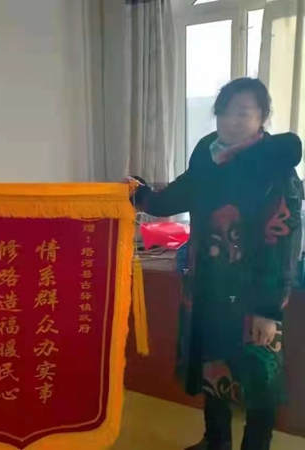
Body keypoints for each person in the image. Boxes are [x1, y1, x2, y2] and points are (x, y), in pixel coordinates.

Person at [132, 77, 303, 450]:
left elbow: (285, 243)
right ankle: (216, 441)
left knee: (259, 381)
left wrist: (267, 310)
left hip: (254, 296)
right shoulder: (207, 159)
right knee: (213, 369)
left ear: (262, 117)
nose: (232, 120)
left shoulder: (276, 169)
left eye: (243, 112)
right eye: (225, 111)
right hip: (208, 290)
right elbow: (170, 199)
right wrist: (137, 193)